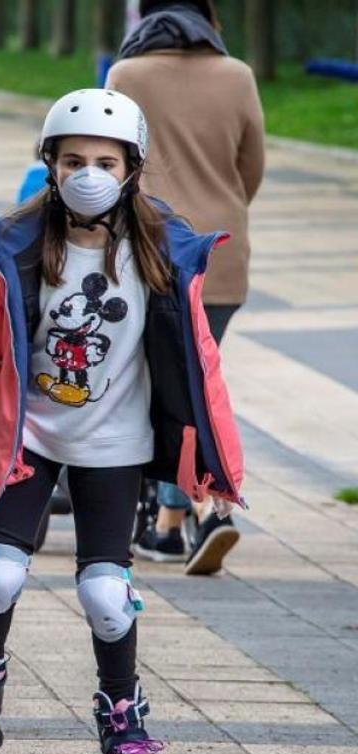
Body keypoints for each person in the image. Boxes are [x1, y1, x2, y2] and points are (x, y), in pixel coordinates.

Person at [0, 89, 245, 754]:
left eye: (106, 162)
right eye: (73, 159)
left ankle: (124, 720)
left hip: (116, 448)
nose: (89, 174)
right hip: (29, 440)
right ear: (50, 165)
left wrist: (218, 471)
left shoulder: (162, 258)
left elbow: (203, 368)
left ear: (132, 170)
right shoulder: (18, 255)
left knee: (105, 594)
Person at [108, 0, 264, 575]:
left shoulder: (126, 76)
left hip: (148, 250)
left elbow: (109, 160)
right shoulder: (239, 76)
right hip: (222, 254)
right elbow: (252, 167)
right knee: (199, 379)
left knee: (154, 385)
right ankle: (189, 512)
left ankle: (172, 520)